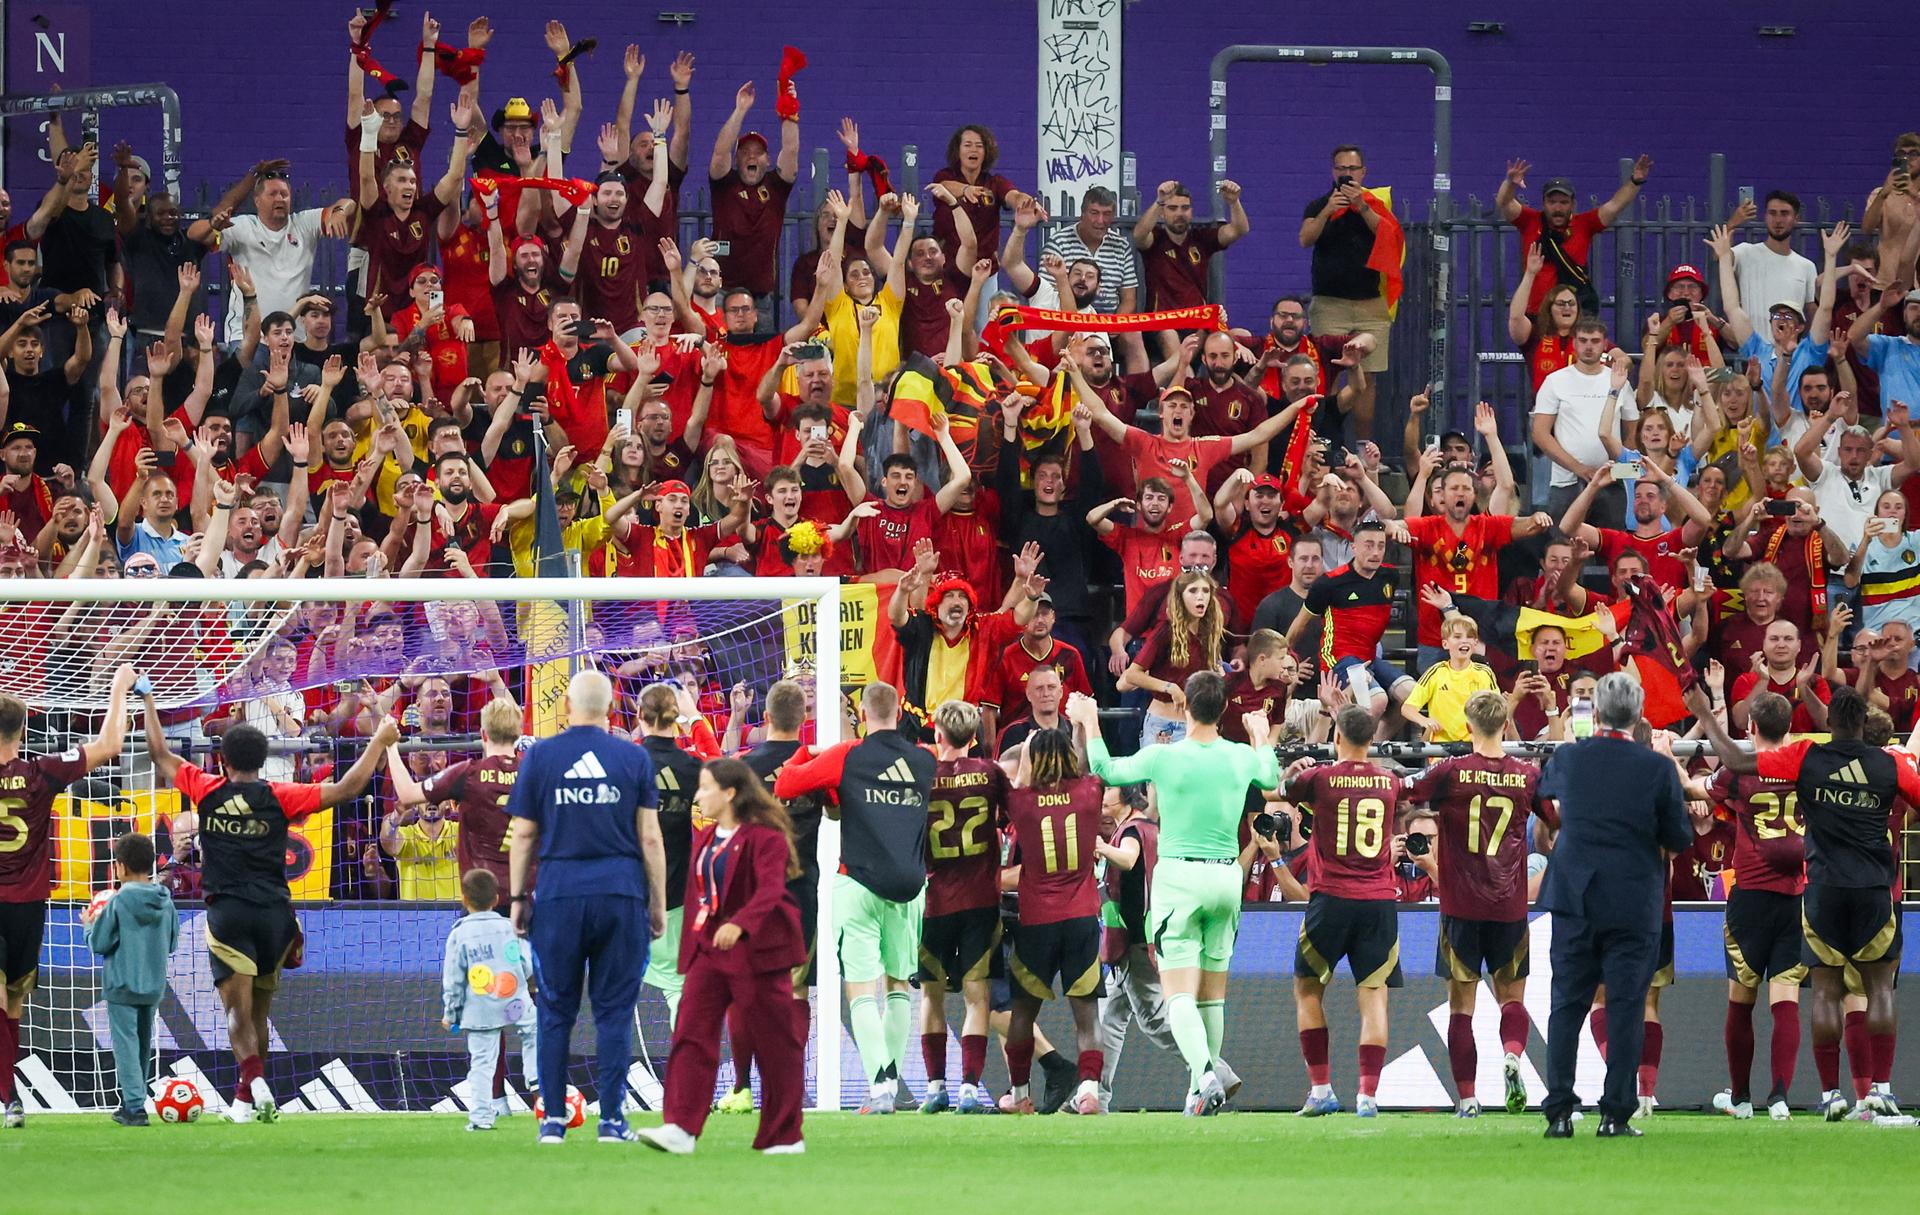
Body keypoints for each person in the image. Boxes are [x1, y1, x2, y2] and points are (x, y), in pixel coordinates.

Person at [144, 693, 397, 1124]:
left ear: (222, 760)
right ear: (263, 761)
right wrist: (379, 741)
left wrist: (151, 700)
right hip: (276, 916)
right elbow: (347, 789)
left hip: (229, 915)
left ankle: (254, 1078)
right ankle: (245, 1103)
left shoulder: (206, 788)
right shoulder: (281, 795)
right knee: (259, 1012)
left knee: (236, 1013)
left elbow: (158, 751)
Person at [1688, 682, 1920, 1121]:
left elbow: (1736, 760)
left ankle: (1830, 1094)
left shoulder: (1807, 757)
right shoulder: (1889, 763)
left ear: (1827, 722)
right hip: (1873, 889)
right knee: (1877, 988)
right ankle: (1882, 1091)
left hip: (1822, 889)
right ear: (1863, 722)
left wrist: (1703, 711)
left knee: (1826, 991)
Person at [1074, 672, 1279, 1116]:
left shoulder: (1164, 757)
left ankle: (1204, 1075)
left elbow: (1106, 770)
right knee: (1212, 996)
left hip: (1180, 877)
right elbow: (1271, 778)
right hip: (1226, 877)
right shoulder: (1241, 756)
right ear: (1223, 711)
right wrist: (1261, 734)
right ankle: (1196, 1094)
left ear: (1185, 708)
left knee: (1179, 994)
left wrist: (1090, 721)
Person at [506, 669, 668, 1144]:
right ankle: (612, 1120)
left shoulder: (542, 756)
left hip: (559, 894)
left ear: (567, 707)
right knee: (614, 1012)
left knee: (555, 1009)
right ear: (612, 708)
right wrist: (657, 902)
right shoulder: (633, 758)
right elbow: (650, 837)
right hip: (620, 893)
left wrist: (517, 898)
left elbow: (524, 833)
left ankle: (553, 1121)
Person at [1538, 673, 1691, 1138]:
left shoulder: (1569, 757)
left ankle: (1559, 1112)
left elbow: (1540, 798)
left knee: (1567, 1004)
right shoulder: (1657, 768)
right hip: (1632, 898)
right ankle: (1615, 1114)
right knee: (1626, 1006)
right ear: (1639, 714)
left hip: (1575, 893)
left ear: (1598, 712)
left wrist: (1568, 826)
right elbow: (1678, 837)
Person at [774, 683, 934, 1114]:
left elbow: (786, 784)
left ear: (863, 714)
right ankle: (889, 1085)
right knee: (899, 986)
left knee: (860, 989)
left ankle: (879, 1086)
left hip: (858, 883)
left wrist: (806, 753)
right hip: (910, 886)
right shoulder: (924, 760)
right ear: (898, 712)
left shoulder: (847, 755)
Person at [641, 760, 807, 1156]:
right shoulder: (705, 838)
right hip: (710, 950)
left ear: (730, 793)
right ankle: (680, 1127)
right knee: (690, 1032)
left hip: (759, 952)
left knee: (775, 1042)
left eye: (704, 787)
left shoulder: (766, 837)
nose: (697, 796)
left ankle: (785, 1135)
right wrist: (694, 945)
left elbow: (770, 890)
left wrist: (741, 924)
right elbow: (698, 896)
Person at [1402, 692, 1556, 1117]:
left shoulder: (1451, 772)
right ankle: (1512, 1054)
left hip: (1460, 906)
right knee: (1512, 1000)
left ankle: (1468, 1099)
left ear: (1469, 726)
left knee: (1461, 1008)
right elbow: (1554, 818)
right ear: (1505, 726)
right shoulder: (1526, 775)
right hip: (1509, 905)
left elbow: (1407, 791)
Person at [1682, 692, 1807, 1122]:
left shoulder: (1738, 774)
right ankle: (1780, 1098)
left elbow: (1694, 789)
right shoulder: (1804, 767)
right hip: (1795, 894)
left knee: (1741, 999)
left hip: (1750, 893)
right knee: (1785, 998)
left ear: (1751, 728)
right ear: (1788, 729)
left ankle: (1741, 1098)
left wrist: (1668, 760)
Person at [1285, 703, 1407, 1118]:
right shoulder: (1389, 781)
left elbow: (1282, 790)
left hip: (1331, 898)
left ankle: (1321, 1089)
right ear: (1372, 740)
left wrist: (1291, 771)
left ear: (1337, 736)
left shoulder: (1321, 778)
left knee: (1307, 989)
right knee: (1373, 998)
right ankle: (1367, 1095)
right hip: (1378, 900)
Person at [1001, 726, 1108, 1116]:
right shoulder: (1090, 792)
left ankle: (1019, 1094)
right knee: (1087, 1015)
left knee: (1023, 1013)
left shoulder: (1021, 802)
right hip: (1081, 916)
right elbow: (1088, 766)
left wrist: (1029, 751)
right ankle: (1089, 1091)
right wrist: (1080, 727)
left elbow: (1018, 783)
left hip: (1036, 920)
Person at [917, 700, 1010, 1114]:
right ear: (974, 736)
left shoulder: (923, 775)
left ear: (938, 733)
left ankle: (935, 1086)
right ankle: (969, 1088)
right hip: (980, 899)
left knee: (931, 996)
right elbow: (1011, 817)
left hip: (933, 900)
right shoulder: (991, 772)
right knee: (977, 997)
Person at [83, 831, 179, 1128]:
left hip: (122, 983)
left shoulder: (119, 901)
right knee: (142, 1044)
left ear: (120, 866)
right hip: (153, 984)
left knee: (126, 1044)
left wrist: (89, 925)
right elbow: (172, 943)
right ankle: (132, 1102)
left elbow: (99, 943)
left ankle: (135, 1107)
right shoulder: (166, 901)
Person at [439, 867, 536, 1133]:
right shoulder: (509, 928)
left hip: (479, 1009)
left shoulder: (459, 934)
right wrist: (521, 980)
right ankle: (535, 1077)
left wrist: (451, 1013)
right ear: (496, 899)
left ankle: (482, 1118)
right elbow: (527, 962)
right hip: (514, 1002)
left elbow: (453, 978)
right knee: (535, 1031)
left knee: (482, 1062)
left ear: (464, 899)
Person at [1497, 156, 1650, 315]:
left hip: (1572, 314)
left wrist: (1635, 181)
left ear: (1573, 204)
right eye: (1552, 202)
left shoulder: (1584, 224)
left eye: (1564, 202)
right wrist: (1510, 183)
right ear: (1544, 204)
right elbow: (1504, 202)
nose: (1558, 208)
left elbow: (1615, 205)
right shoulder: (1530, 220)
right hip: (1536, 313)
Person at [1298, 147, 1393, 395]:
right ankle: (1328, 421)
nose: (1347, 173)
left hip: (1370, 304)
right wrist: (1328, 210)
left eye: (1352, 168)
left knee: (1367, 378)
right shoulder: (1319, 205)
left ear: (1363, 172)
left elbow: (1388, 237)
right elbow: (1305, 239)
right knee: (1327, 373)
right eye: (1341, 168)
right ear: (1333, 171)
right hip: (1330, 304)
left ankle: (1363, 425)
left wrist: (1362, 206)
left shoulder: (1375, 205)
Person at [634, 682, 702, 1030]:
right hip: (673, 894)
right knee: (678, 989)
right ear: (676, 716)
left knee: (612, 989)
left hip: (625, 891)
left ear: (639, 715)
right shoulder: (691, 766)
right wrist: (696, 720)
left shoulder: (626, 761)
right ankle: (687, 1061)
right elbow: (726, 775)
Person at [1532, 321, 1637, 526]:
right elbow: (1540, 433)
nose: (1589, 346)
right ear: (1574, 343)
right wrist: (1578, 468)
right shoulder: (1555, 381)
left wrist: (1621, 470)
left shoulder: (1619, 381)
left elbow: (1633, 432)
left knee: (1610, 543)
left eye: (1595, 341)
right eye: (1583, 340)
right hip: (1566, 483)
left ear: (1605, 344)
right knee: (1563, 544)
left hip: (1612, 482)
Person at [1400, 610, 1500, 743]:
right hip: (1439, 747)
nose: (1464, 641)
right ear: (1445, 644)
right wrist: (1424, 721)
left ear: (1475, 643)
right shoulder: (1435, 672)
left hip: (1474, 746)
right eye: (1457, 637)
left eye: (1469, 637)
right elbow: (1408, 708)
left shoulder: (1484, 673)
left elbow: (1497, 710)